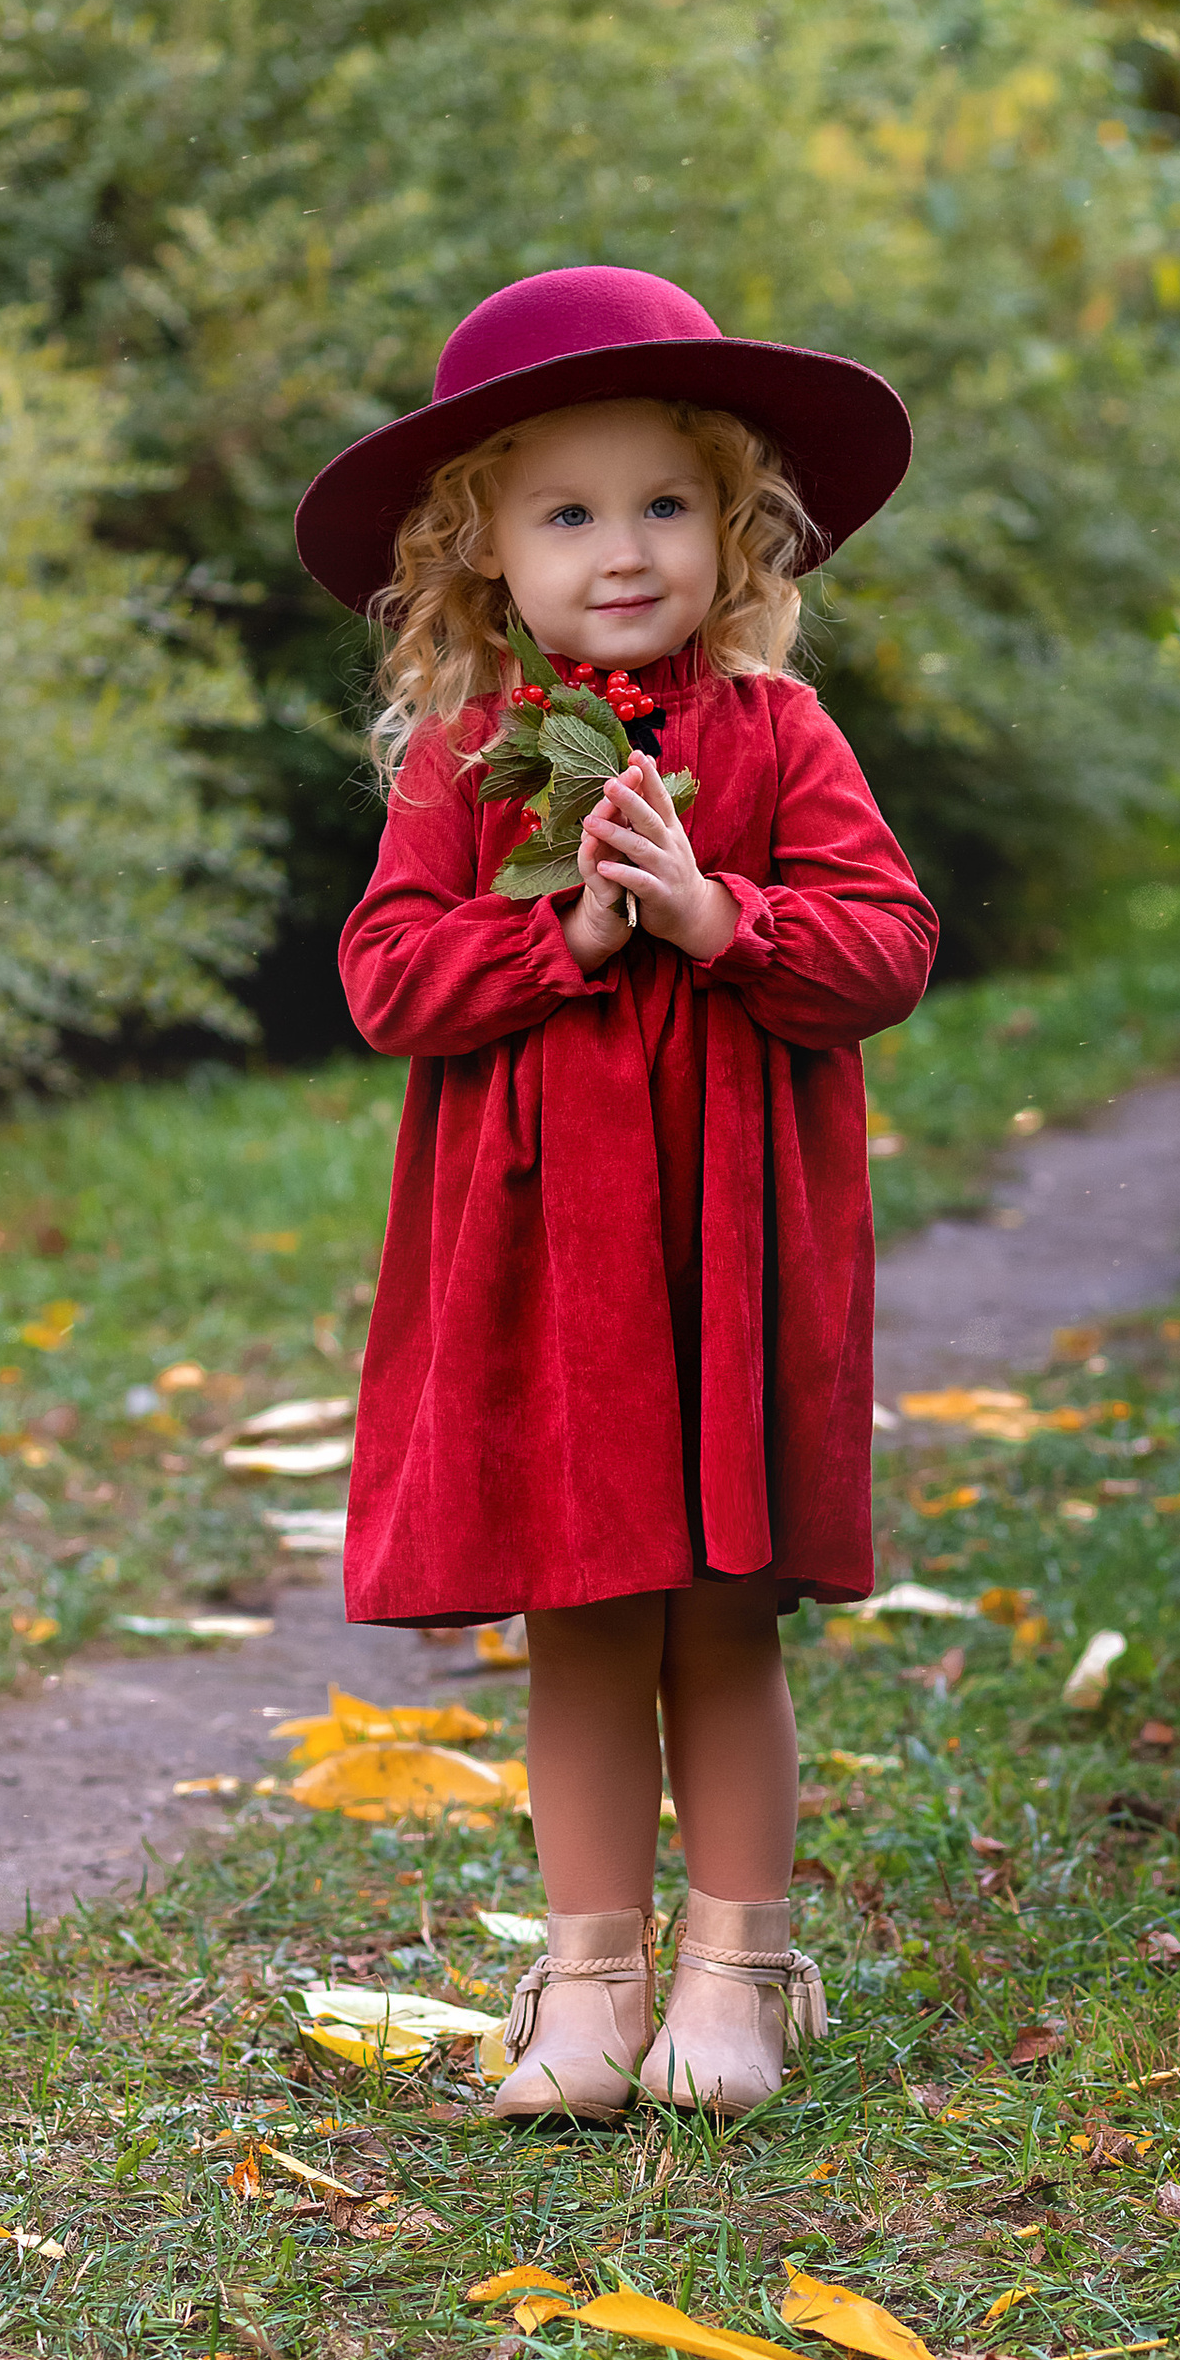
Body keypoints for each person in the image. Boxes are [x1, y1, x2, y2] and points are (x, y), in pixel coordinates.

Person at [295, 265, 937, 2121]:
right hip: (543, 1260)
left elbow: (884, 949)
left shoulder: (775, 733)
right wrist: (569, 931)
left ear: (732, 531)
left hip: (728, 1243)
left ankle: (737, 1975)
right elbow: (388, 982)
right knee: (584, 1609)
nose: (624, 548)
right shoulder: (461, 760)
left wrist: (722, 920)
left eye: (665, 503)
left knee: (721, 1606)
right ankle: (590, 1986)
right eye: (568, 512)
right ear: (482, 548)